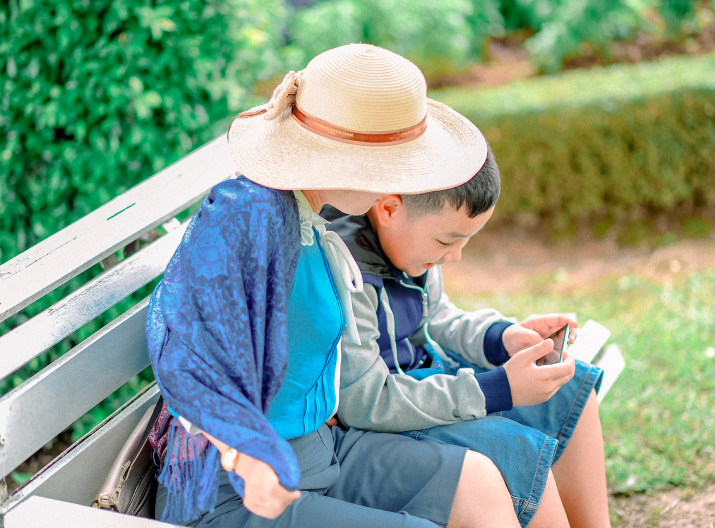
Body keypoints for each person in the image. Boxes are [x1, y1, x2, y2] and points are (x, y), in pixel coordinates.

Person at [145, 43, 524, 528]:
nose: (408, 185)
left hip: (318, 454)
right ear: (354, 162)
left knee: (477, 482)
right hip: (236, 492)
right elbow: (183, 348)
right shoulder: (250, 212)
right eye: (404, 167)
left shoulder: (310, 215)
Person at [324, 143, 612, 528]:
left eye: (466, 241)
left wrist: (504, 336)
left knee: (573, 386)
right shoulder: (347, 269)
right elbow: (365, 401)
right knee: (513, 449)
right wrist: (497, 389)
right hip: (388, 413)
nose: (455, 256)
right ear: (389, 208)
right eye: (447, 242)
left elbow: (437, 315)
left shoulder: (408, 241)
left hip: (431, 382)